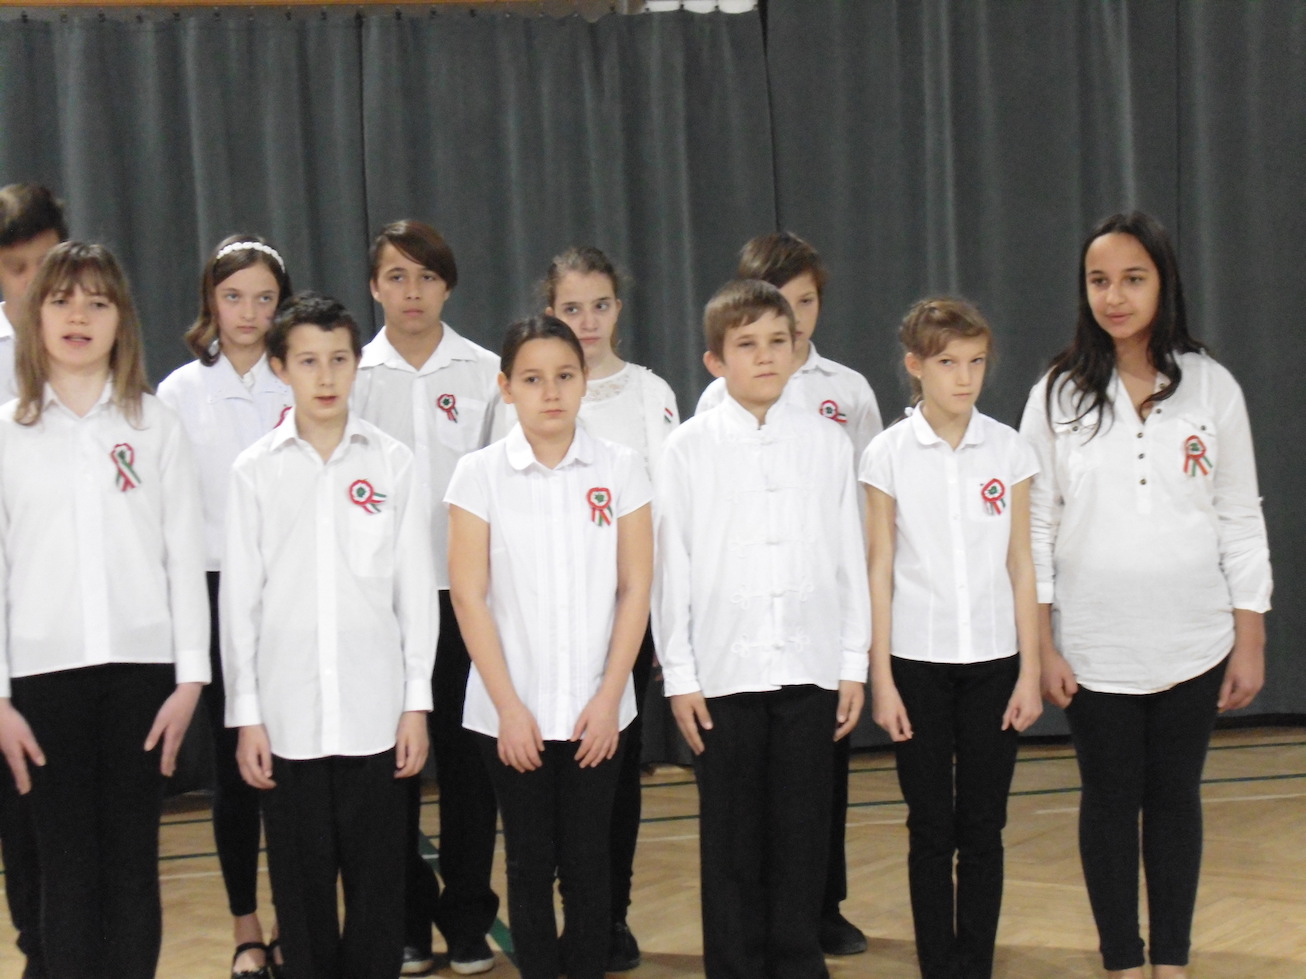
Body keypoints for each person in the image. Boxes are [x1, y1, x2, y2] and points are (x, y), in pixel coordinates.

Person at [1018, 212, 1271, 979]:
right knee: (1107, 800)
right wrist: (1042, 644)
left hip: (1195, 640)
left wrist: (1249, 635)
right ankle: (1122, 960)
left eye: (1133, 279)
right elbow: (1033, 527)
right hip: (1093, 646)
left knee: (1174, 800)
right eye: (1100, 281)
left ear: (1164, 283)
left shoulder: (1211, 386)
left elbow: (1240, 515)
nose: (1115, 297)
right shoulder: (1057, 393)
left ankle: (1172, 960)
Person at [0, 241, 209, 979]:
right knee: (63, 871)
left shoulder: (155, 425)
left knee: (130, 867)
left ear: (122, 319)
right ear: (35, 317)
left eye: (98, 302)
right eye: (62, 301)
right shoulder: (8, 431)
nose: (79, 317)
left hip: (142, 681)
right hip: (41, 683)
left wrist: (190, 681)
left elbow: (184, 557)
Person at [655, 279, 870, 979]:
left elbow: (849, 558)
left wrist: (853, 662)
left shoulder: (827, 443)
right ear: (716, 360)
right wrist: (680, 675)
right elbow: (672, 568)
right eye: (747, 344)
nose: (766, 356)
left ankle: (798, 961)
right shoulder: (687, 448)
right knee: (732, 841)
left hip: (810, 668)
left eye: (779, 340)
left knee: (802, 835)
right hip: (725, 673)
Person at [221, 292, 437, 979]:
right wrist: (248, 716)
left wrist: (415, 703)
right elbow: (239, 604)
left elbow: (414, 594)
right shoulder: (254, 470)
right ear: (280, 367)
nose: (325, 376)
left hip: (377, 718)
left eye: (339, 359)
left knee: (378, 899)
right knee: (302, 901)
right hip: (288, 723)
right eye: (309, 361)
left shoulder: (392, 462)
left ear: (356, 365)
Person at [446, 315, 652, 979]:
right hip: (513, 712)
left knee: (589, 863)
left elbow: (635, 588)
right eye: (532, 379)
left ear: (584, 380)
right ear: (506, 387)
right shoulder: (478, 475)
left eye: (565, 375)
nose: (551, 392)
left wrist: (611, 696)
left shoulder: (622, 468)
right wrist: (509, 708)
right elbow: (468, 596)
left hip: (599, 707)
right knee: (529, 863)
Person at [862, 298, 1042, 979]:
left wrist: (1029, 673)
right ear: (915, 365)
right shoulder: (887, 454)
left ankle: (977, 963)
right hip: (917, 663)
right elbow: (880, 568)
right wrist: (882, 680)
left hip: (996, 664)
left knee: (985, 826)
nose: (964, 377)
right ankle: (938, 964)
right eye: (947, 363)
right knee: (931, 826)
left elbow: (1022, 563)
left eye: (976, 362)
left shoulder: (1009, 449)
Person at [351, 219, 504, 976]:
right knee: (394, 773)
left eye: (427, 276)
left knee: (472, 771)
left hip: (467, 600)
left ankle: (469, 921)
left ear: (448, 286)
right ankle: (406, 922)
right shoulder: (352, 374)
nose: (412, 292)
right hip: (382, 608)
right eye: (397, 276)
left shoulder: (488, 372)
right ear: (374, 286)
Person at [156, 234, 293, 979]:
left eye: (265, 298)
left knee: (296, 766)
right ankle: (246, 927)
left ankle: (295, 921)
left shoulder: (299, 378)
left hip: (290, 592)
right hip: (212, 592)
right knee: (237, 769)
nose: (249, 312)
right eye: (234, 296)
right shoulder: (179, 393)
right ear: (211, 299)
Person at [542, 244, 678, 972]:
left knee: (616, 773)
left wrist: (664, 622)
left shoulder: (649, 394)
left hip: (627, 617)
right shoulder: (531, 390)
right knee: (551, 776)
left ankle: (608, 915)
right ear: (550, 311)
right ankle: (561, 911)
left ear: (618, 308)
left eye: (599, 305)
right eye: (571, 308)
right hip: (544, 622)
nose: (587, 321)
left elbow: (670, 517)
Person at [0, 181, 67, 979]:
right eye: (17, 267)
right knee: (20, 812)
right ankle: (39, 954)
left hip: (81, 629)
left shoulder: (96, 348)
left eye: (45, 262)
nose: (34, 282)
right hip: (10, 627)